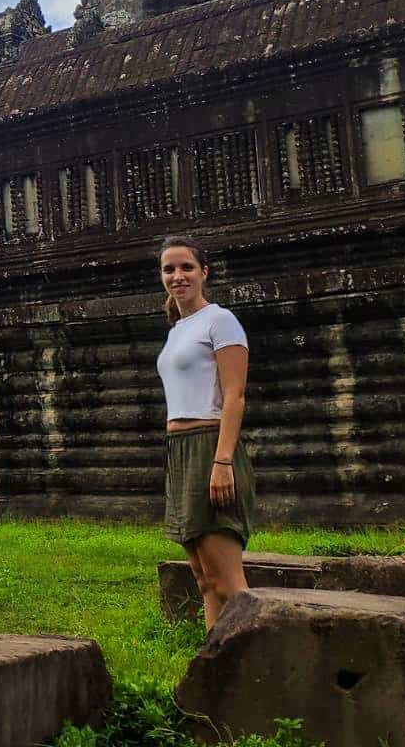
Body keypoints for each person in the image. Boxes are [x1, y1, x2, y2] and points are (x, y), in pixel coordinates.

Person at [157, 234, 253, 630]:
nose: (177, 276)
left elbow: (235, 396)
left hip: (209, 446)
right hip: (179, 449)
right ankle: (217, 671)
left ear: (203, 272)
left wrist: (222, 460)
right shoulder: (177, 329)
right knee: (204, 581)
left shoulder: (220, 320)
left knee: (230, 585)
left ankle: (262, 669)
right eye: (169, 269)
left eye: (186, 267)